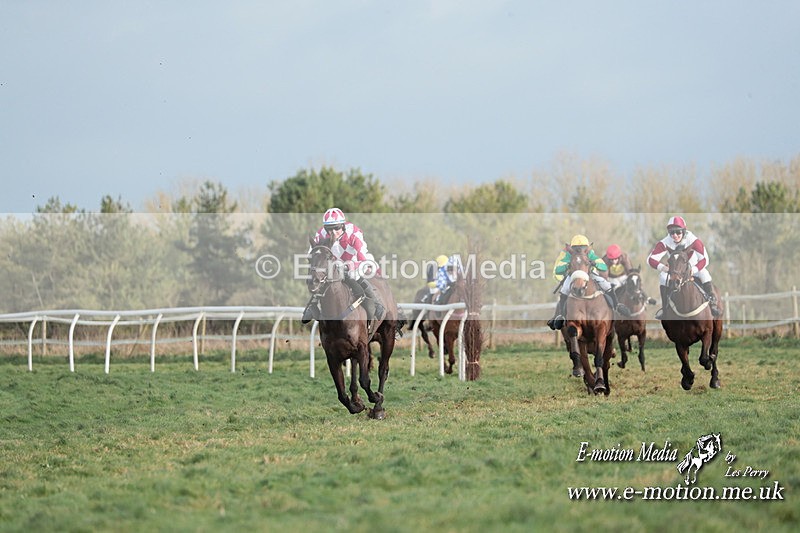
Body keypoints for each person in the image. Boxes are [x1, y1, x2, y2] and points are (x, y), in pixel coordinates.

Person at [301, 207, 385, 323]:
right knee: (318, 276)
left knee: (351, 274)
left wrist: (351, 265)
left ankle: (377, 303)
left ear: (343, 225)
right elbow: (311, 254)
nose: (333, 232)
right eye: (329, 229)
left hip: (356, 262)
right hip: (334, 266)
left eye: (336, 228)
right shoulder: (321, 234)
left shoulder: (354, 233)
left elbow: (363, 259)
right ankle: (312, 305)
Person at [546, 235, 630, 330]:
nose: (580, 250)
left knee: (606, 284)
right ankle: (561, 315)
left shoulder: (590, 253)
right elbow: (558, 270)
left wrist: (595, 263)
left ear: (586, 248)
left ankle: (617, 305)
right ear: (572, 248)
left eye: (583, 248)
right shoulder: (568, 255)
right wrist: (567, 266)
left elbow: (603, 267)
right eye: (577, 248)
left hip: (589, 274)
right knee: (564, 289)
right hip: (573, 275)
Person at [647, 215, 721, 319]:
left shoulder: (693, 240)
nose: (675, 235)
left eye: (678, 232)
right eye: (672, 232)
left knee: (704, 274)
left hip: (692, 268)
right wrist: (664, 268)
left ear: (684, 231)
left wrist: (693, 269)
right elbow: (650, 259)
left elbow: (705, 259)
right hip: (676, 271)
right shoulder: (665, 242)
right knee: (663, 277)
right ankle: (665, 309)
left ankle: (712, 303)